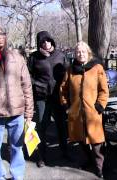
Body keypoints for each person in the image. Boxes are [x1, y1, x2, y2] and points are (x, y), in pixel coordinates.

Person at [60, 41, 109, 178]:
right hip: (76, 112)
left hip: (93, 112)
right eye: (77, 52)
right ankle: (88, 160)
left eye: (82, 51)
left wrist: (100, 105)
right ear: (74, 54)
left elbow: (104, 90)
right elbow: (63, 89)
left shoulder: (97, 68)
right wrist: (65, 105)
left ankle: (100, 167)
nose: (80, 54)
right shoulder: (70, 69)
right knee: (80, 138)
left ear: (88, 52)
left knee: (96, 142)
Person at [0, 23, 34, 180]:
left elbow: (27, 86)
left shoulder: (17, 57)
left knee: (17, 147)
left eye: (1, 33)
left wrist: (29, 115)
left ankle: (17, 176)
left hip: (17, 112)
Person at [27, 31, 70, 167]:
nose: (46, 44)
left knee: (62, 125)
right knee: (42, 125)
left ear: (52, 41)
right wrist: (37, 85)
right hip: (42, 98)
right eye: (42, 42)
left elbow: (68, 75)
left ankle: (65, 152)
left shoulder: (60, 56)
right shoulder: (34, 57)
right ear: (39, 44)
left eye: (48, 41)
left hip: (58, 97)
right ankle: (42, 156)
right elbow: (28, 76)